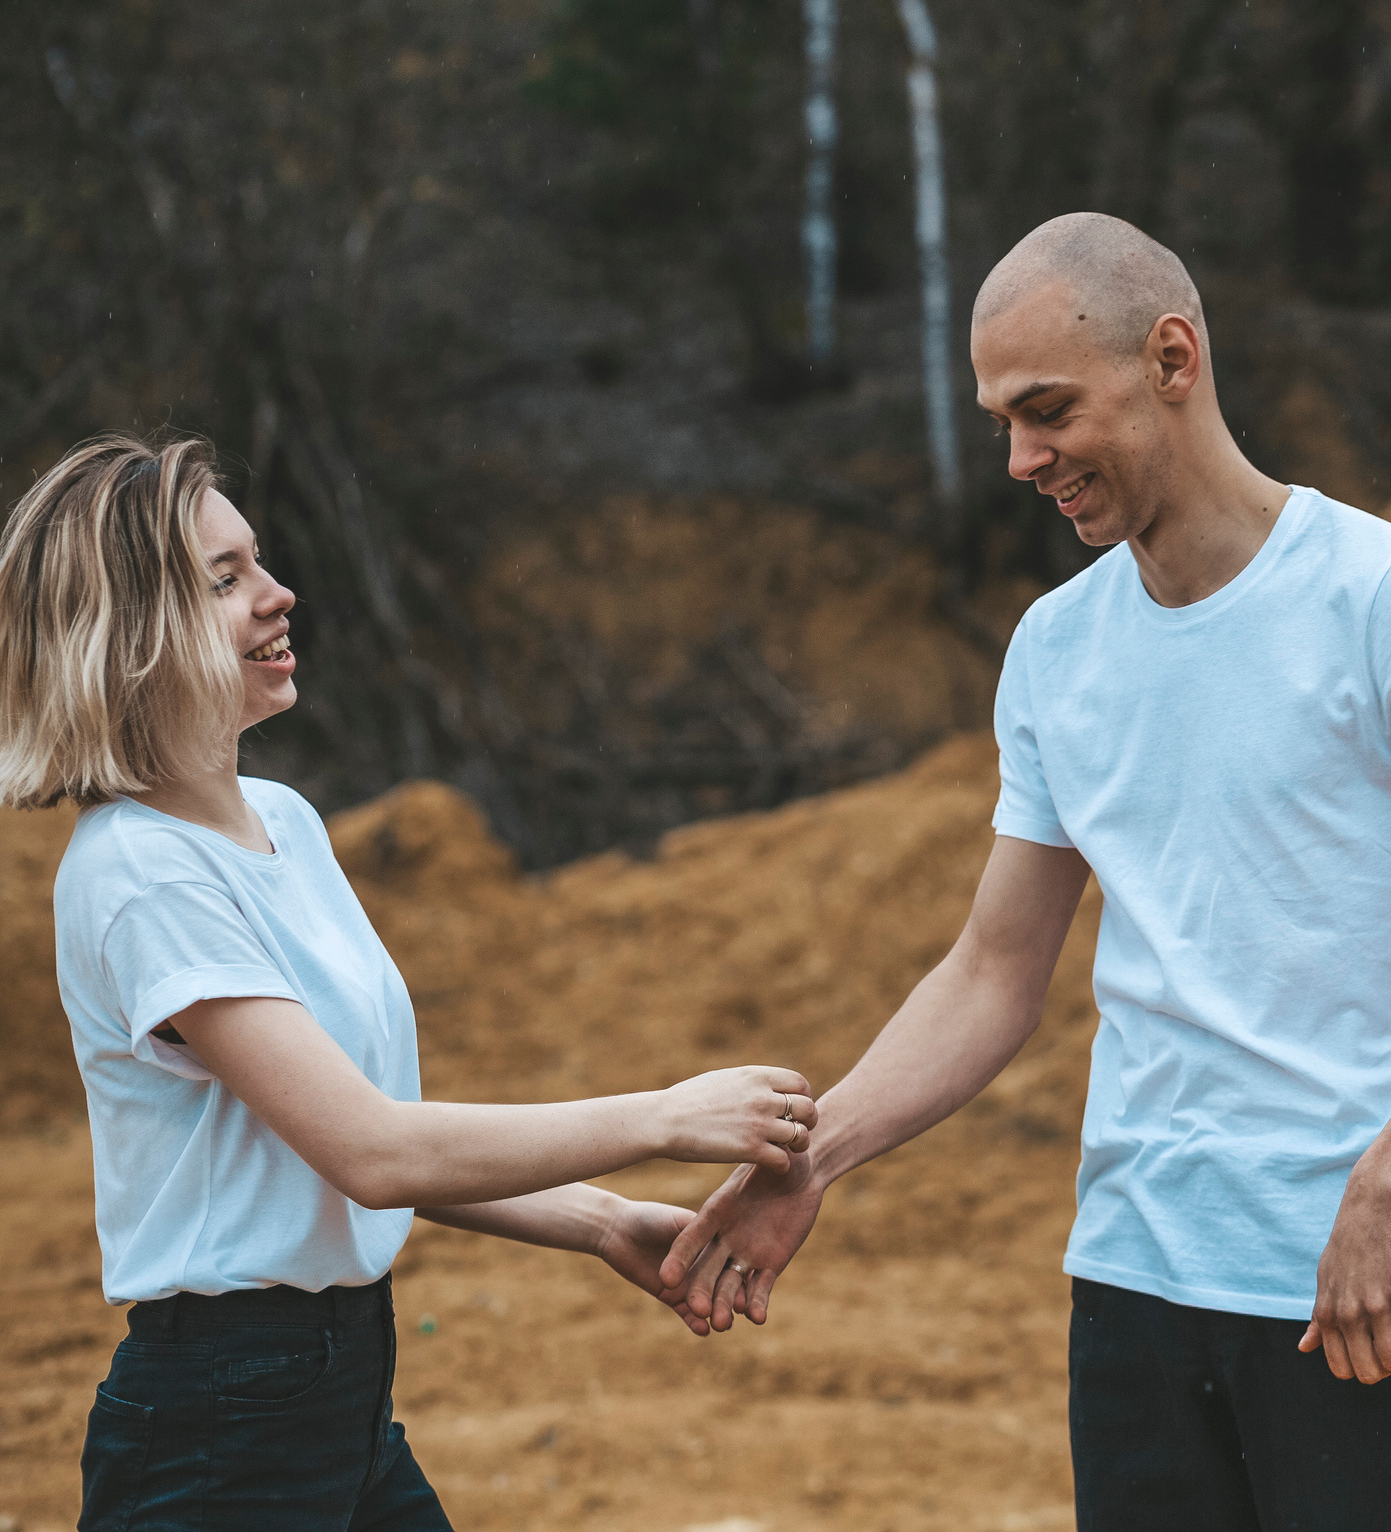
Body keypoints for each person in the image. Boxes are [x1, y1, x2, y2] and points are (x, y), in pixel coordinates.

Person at [662, 214, 1391, 1530]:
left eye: (1048, 409)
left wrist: (1389, 1178)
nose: (1021, 457)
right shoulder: (1060, 650)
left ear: (1171, 357)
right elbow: (996, 967)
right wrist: (814, 1157)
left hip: (1357, 1295)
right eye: (1003, 418)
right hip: (1132, 1293)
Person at [0, 434, 820, 1532]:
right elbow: (376, 1155)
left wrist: (596, 1219)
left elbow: (352, 1137)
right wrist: (663, 1117)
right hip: (220, 1437)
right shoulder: (140, 874)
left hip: (338, 1397)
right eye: (225, 580)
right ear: (129, 635)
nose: (278, 596)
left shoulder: (282, 823)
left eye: (261, 562)